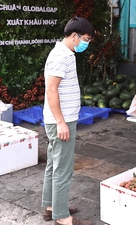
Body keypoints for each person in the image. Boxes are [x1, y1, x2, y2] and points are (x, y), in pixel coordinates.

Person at [42, 17, 95, 225]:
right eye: (86, 39)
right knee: (63, 168)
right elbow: (51, 89)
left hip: (61, 119)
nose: (86, 43)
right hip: (61, 121)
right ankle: (62, 217)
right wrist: (61, 122)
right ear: (75, 36)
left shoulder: (66, 53)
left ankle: (51, 206)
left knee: (54, 164)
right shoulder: (60, 56)